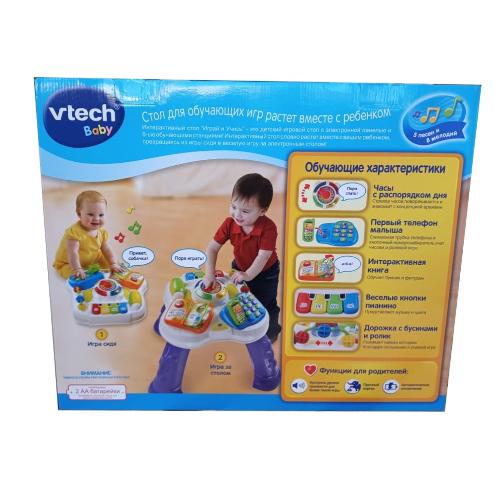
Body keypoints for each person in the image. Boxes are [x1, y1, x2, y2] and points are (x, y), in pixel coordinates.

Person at [203, 173, 281, 342]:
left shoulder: (269, 228)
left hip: (265, 274)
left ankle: (270, 333)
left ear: (262, 211)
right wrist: (209, 274)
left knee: (264, 304)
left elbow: (263, 256)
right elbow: (212, 248)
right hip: (239, 267)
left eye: (245, 211)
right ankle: (242, 327)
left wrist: (248, 275)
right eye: (233, 206)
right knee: (238, 299)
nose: (237, 214)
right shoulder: (229, 223)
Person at [53, 190, 123, 279]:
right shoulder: (74, 232)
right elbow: (72, 253)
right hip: (69, 262)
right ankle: (81, 273)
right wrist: (77, 269)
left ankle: (114, 269)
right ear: (79, 214)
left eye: (101, 215)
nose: (96, 218)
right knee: (73, 274)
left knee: (112, 262)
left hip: (93, 259)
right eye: (90, 214)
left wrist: (113, 263)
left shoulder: (102, 232)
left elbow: (107, 249)